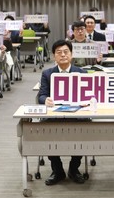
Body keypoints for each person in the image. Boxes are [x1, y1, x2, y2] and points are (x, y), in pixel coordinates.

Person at [37, 40, 86, 185]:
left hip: (77, 115)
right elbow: (41, 95)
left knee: (85, 130)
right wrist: (46, 100)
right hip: (55, 115)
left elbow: (89, 96)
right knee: (47, 131)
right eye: (59, 53)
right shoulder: (47, 74)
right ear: (54, 56)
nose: (63, 55)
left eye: (66, 52)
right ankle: (57, 170)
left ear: (71, 54)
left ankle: (74, 169)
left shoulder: (81, 73)